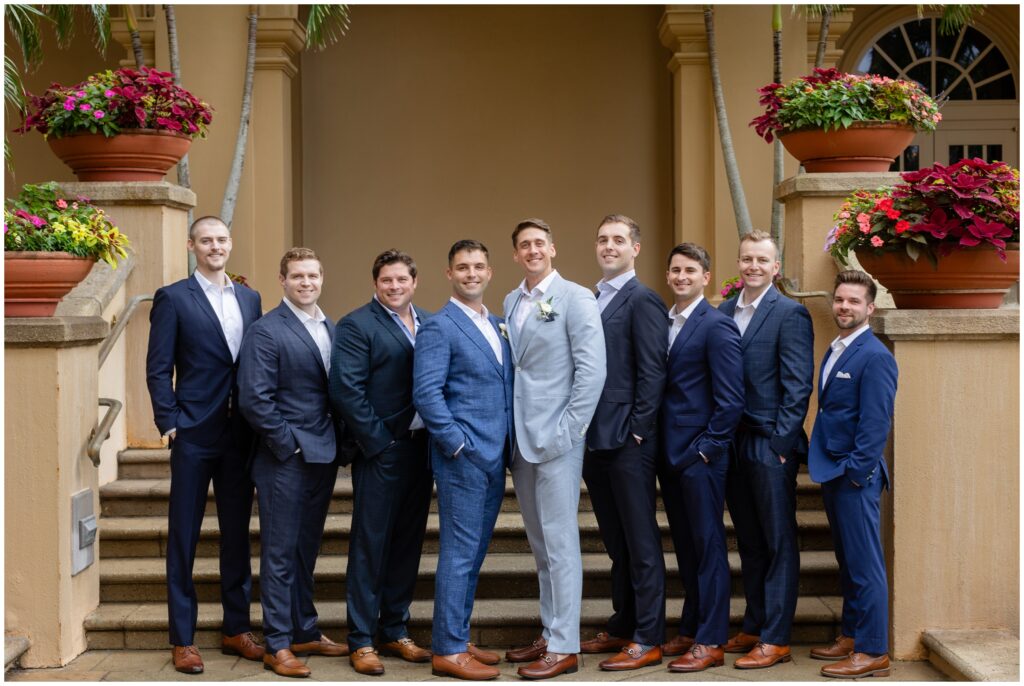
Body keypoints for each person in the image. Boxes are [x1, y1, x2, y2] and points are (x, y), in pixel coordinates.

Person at [145, 216, 264, 674]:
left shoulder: (250, 298)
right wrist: (168, 421)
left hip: (240, 436)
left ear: (230, 245)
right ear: (192, 245)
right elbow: (158, 367)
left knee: (236, 535)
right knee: (184, 537)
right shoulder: (174, 298)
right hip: (193, 432)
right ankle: (183, 639)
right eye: (206, 240)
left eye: (221, 240)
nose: (215, 246)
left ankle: (236, 628)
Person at [501, 218, 606, 680]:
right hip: (521, 440)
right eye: (524, 245)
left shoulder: (576, 297)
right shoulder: (509, 300)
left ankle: (564, 645)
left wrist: (570, 430)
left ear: (553, 249)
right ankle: (549, 630)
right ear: (516, 253)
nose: (532, 250)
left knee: (562, 544)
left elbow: (592, 371)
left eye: (539, 243)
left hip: (558, 438)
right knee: (541, 545)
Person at [237, 248, 349, 677]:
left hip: (323, 455)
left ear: (322, 278)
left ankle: (305, 628)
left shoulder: (330, 327)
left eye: (313, 275)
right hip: (284, 459)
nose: (307, 282)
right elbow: (253, 398)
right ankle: (278, 642)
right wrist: (290, 445)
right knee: (280, 552)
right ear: (282, 280)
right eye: (298, 276)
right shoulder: (266, 331)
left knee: (306, 549)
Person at [412, 240, 514, 680]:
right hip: (464, 457)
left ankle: (459, 635)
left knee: (472, 554)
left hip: (495, 455)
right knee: (457, 554)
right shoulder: (439, 326)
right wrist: (457, 444)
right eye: (462, 267)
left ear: (490, 272)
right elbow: (427, 393)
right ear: (448, 273)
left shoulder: (498, 323)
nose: (471, 273)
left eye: (478, 266)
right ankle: (448, 651)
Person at [329, 249, 433, 676]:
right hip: (382, 451)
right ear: (375, 283)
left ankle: (394, 628)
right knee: (370, 545)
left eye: (402, 280)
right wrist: (378, 442)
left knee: (408, 543)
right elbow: (346, 390)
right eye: (386, 280)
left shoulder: (429, 320)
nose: (394, 287)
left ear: (414, 282)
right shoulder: (357, 325)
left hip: (422, 448)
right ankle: (361, 639)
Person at [717, 230, 814, 669]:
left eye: (762, 260)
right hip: (731, 443)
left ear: (776, 267)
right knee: (750, 541)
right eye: (746, 258)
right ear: (739, 264)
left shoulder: (789, 313)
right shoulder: (723, 311)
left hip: (768, 444)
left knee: (777, 542)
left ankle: (776, 637)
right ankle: (755, 624)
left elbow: (798, 386)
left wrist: (781, 444)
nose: (753, 266)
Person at [578, 215, 667, 671]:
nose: (608, 246)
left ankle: (649, 635)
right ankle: (621, 624)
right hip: (595, 438)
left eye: (617, 240)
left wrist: (637, 429)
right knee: (616, 541)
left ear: (636, 247)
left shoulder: (643, 299)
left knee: (640, 540)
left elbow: (653, 371)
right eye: (602, 240)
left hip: (629, 439)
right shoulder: (591, 298)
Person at [659, 242, 744, 673]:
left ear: (706, 277)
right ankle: (691, 627)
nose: (681, 277)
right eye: (675, 270)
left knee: (709, 547)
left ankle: (711, 640)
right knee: (688, 548)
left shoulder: (717, 325)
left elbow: (731, 400)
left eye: (690, 270)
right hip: (670, 456)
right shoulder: (667, 321)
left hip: (701, 457)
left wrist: (707, 449)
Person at [808, 269, 897, 679]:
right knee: (848, 561)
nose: (845, 306)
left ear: (870, 308)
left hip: (854, 476)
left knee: (865, 566)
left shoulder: (876, 355)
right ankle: (851, 635)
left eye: (854, 301)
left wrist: (856, 473)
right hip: (834, 470)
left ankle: (873, 649)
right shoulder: (838, 347)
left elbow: (876, 424)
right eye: (840, 300)